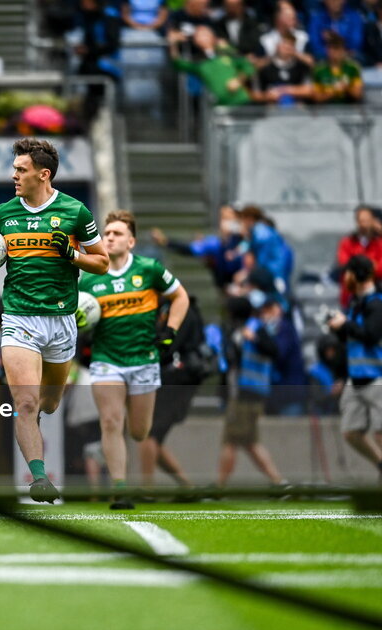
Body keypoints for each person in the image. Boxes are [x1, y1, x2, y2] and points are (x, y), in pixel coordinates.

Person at [0, 138, 110, 503]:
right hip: (18, 317)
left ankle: (38, 422)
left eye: (20, 170)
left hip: (61, 321)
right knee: (24, 403)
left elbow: (101, 262)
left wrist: (70, 253)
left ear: (44, 174)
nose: (14, 175)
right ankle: (39, 478)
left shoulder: (76, 211)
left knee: (49, 404)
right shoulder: (3, 214)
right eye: (14, 169)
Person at [78, 210, 189, 508]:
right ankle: (120, 488)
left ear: (131, 241)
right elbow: (68, 312)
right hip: (106, 360)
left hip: (143, 360)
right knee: (112, 421)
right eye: (107, 232)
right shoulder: (88, 279)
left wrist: (169, 332)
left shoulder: (149, 269)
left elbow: (181, 297)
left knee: (139, 431)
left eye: (116, 233)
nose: (109, 237)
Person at [327, 255, 382, 483]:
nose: (345, 278)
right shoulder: (355, 303)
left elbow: (371, 334)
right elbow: (353, 338)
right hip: (358, 378)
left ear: (358, 276)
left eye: (348, 273)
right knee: (351, 432)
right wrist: (339, 327)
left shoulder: (379, 303)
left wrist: (346, 324)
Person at [139, 296, 209, 489]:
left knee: (149, 434)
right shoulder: (169, 308)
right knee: (153, 438)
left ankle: (147, 489)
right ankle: (187, 487)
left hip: (178, 379)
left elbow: (169, 346)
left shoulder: (182, 311)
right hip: (175, 379)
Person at [218, 296, 288, 486]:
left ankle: (220, 487)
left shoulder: (256, 328)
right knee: (250, 443)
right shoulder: (238, 330)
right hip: (247, 392)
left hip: (247, 393)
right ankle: (278, 482)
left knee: (231, 441)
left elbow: (274, 351)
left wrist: (254, 338)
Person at [152, 205, 243, 291]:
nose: (223, 222)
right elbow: (189, 249)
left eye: (227, 218)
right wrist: (165, 242)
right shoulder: (215, 242)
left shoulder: (244, 240)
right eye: (222, 218)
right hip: (227, 286)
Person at [169, 26, 255, 106]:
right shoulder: (198, 62)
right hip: (220, 105)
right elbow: (178, 64)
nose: (202, 37)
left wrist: (238, 80)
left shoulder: (225, 51)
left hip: (242, 101)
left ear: (213, 37)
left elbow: (247, 66)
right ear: (195, 40)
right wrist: (173, 44)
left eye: (205, 34)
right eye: (198, 35)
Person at [336, 205, 382, 306]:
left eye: (366, 220)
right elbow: (344, 264)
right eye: (360, 220)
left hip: (376, 295)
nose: (363, 224)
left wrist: (358, 265)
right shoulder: (347, 243)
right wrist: (372, 264)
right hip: (351, 296)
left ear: (372, 221)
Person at [312, 33, 364, 103]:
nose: (333, 52)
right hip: (325, 110)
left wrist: (346, 88)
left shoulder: (353, 68)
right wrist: (335, 90)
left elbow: (358, 95)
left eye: (336, 48)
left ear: (343, 50)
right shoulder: (318, 69)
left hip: (350, 109)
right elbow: (316, 98)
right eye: (330, 48)